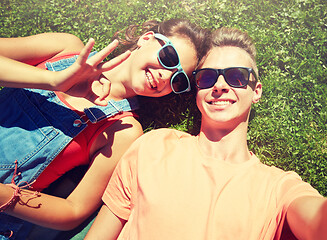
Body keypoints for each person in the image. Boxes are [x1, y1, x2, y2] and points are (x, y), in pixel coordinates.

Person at [85, 27, 327, 240]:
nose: (221, 85)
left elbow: (322, 219)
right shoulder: (153, 147)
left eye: (237, 76)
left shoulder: (277, 188)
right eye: (207, 77)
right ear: (198, 91)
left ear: (256, 91)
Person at [0, 19, 210, 240]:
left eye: (178, 80)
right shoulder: (65, 48)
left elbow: (73, 210)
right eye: (169, 58)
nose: (165, 76)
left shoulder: (123, 129)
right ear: (146, 39)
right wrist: (53, 81)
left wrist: (5, 195)